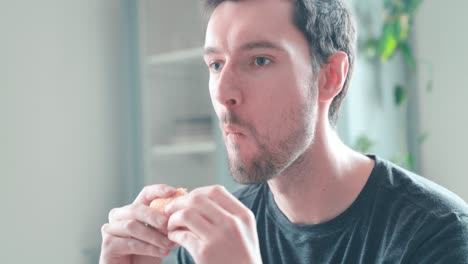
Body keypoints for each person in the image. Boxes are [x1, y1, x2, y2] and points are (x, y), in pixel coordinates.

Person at [99, 0, 468, 263]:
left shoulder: (436, 234)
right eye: (215, 64)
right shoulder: (211, 237)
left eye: (259, 60)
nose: (223, 92)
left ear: (329, 77)